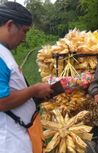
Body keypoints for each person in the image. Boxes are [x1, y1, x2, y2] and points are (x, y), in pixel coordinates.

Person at [0, 2, 53, 153]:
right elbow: (1, 102)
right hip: (9, 142)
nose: (24, 38)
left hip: (16, 135)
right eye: (24, 31)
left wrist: (36, 96)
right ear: (10, 25)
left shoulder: (4, 52)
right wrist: (34, 90)